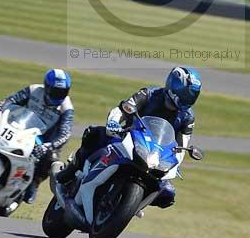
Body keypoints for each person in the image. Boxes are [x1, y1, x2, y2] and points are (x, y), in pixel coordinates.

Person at [56, 66, 202, 208]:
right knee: (93, 134)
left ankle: (131, 205)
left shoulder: (187, 117)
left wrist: (175, 164)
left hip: (156, 155)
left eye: (192, 95)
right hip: (127, 138)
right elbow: (122, 110)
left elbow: (181, 146)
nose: (188, 98)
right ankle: (69, 172)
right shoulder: (149, 94)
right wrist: (114, 122)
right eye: (186, 93)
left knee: (167, 194)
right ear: (174, 85)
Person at [0, 68, 74, 204]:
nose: (59, 95)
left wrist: (49, 145)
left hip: (43, 140)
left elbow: (65, 133)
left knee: (52, 159)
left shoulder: (66, 107)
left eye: (63, 92)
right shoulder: (34, 90)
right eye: (56, 91)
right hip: (21, 126)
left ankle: (34, 183)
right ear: (47, 87)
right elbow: (11, 100)